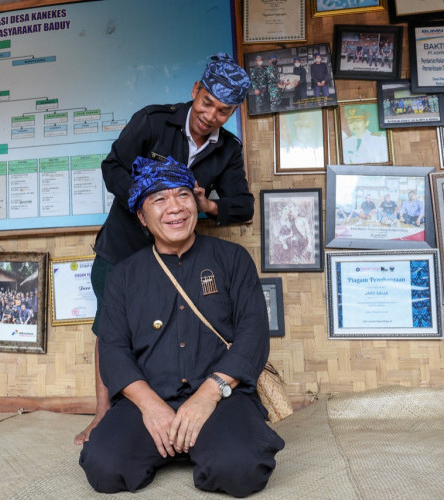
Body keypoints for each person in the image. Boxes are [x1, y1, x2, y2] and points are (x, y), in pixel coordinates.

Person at [79, 156, 284, 496]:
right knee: (105, 466)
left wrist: (207, 395)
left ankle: (206, 446)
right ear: (142, 217)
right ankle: (173, 441)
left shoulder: (233, 260)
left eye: (182, 195)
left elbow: (253, 334)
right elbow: (112, 348)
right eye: (159, 199)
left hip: (221, 398)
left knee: (241, 469)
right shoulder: (123, 276)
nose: (174, 207)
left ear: (196, 204)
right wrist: (150, 405)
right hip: (148, 399)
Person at [76, 53, 254, 445]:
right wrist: (145, 199)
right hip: (121, 248)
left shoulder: (228, 150)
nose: (210, 116)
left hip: (180, 258)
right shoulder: (154, 120)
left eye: (223, 111)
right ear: (195, 91)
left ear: (232, 112)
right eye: (207, 103)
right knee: (110, 333)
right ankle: (104, 414)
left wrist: (207, 206)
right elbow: (112, 168)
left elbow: (243, 206)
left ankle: (183, 407)